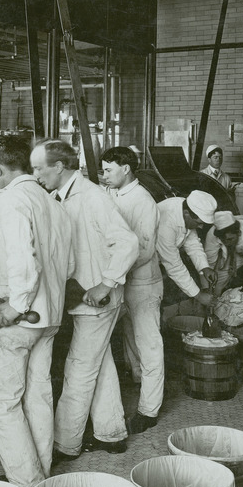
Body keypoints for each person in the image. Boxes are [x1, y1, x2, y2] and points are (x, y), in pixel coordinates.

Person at [0, 135, 73, 487]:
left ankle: (26, 485)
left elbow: (24, 257)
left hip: (19, 319)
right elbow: (63, 259)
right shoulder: (47, 198)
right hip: (48, 316)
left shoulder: (11, 201)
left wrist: (16, 304)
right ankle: (41, 472)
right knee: (36, 395)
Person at [30, 140, 138, 461]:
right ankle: (111, 434)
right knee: (97, 364)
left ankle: (66, 444)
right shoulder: (59, 196)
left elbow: (128, 242)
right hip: (80, 296)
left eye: (40, 168)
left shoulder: (92, 198)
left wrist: (106, 284)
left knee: (78, 368)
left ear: (60, 167)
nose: (36, 175)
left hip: (98, 300)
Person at [101, 146, 164, 435]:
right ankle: (140, 383)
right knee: (130, 340)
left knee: (149, 345)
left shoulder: (143, 200)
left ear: (126, 169)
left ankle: (149, 410)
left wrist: (111, 270)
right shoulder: (113, 193)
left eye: (109, 170)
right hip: (120, 280)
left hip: (142, 283)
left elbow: (145, 249)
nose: (105, 175)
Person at [156, 190, 218, 307]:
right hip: (141, 263)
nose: (201, 226)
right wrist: (198, 295)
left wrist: (204, 267)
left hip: (161, 259)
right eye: (198, 223)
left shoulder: (187, 207)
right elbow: (174, 266)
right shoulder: (166, 223)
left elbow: (192, 243)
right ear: (186, 213)